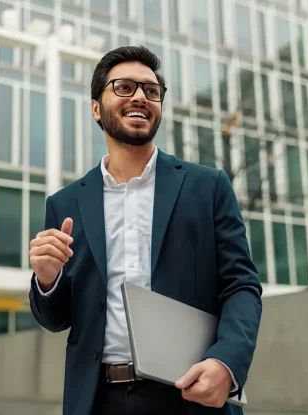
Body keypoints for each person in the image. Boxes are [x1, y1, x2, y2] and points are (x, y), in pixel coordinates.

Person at [27, 45, 262, 415]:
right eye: (124, 87)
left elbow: (242, 286)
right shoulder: (65, 204)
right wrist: (47, 279)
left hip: (191, 396)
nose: (140, 96)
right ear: (95, 108)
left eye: (151, 91)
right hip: (97, 400)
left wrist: (226, 361)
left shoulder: (208, 187)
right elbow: (56, 319)